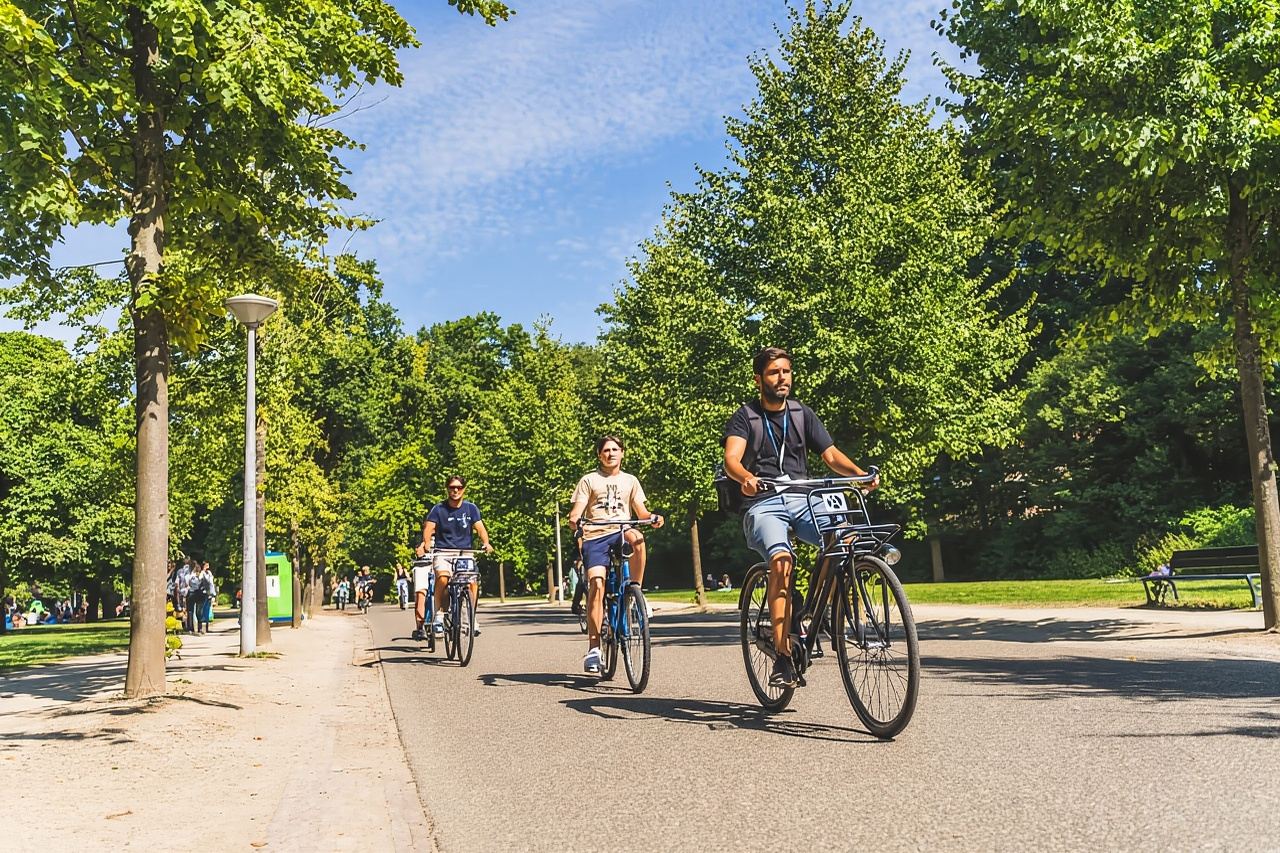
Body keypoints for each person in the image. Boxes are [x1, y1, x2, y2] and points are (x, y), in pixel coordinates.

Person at [722, 346, 877, 689]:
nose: (782, 378)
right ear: (759, 379)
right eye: (774, 372)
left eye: (786, 371)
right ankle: (782, 657)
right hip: (763, 502)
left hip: (803, 496)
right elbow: (731, 459)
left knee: (845, 536)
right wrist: (745, 477)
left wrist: (859, 474)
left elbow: (830, 455)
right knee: (781, 562)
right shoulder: (745, 417)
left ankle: (816, 609)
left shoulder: (801, 413)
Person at [567, 435, 664, 674]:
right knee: (597, 584)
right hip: (595, 535)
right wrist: (575, 520)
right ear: (599, 455)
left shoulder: (631, 481)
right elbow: (576, 511)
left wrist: (653, 518)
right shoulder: (589, 480)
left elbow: (641, 512)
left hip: (621, 530)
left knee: (638, 538)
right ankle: (594, 648)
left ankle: (635, 592)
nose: (610, 454)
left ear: (622, 453)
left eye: (615, 449)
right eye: (606, 450)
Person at [415, 476, 493, 640]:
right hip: (443, 552)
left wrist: (486, 543)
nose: (455, 490)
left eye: (458, 487)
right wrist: (427, 543)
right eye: (452, 487)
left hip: (464, 553)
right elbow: (429, 528)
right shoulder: (438, 509)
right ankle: (439, 615)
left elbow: (480, 528)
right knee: (443, 578)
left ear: (464, 489)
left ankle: (471, 617)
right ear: (447, 489)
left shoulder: (471, 508)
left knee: (472, 582)